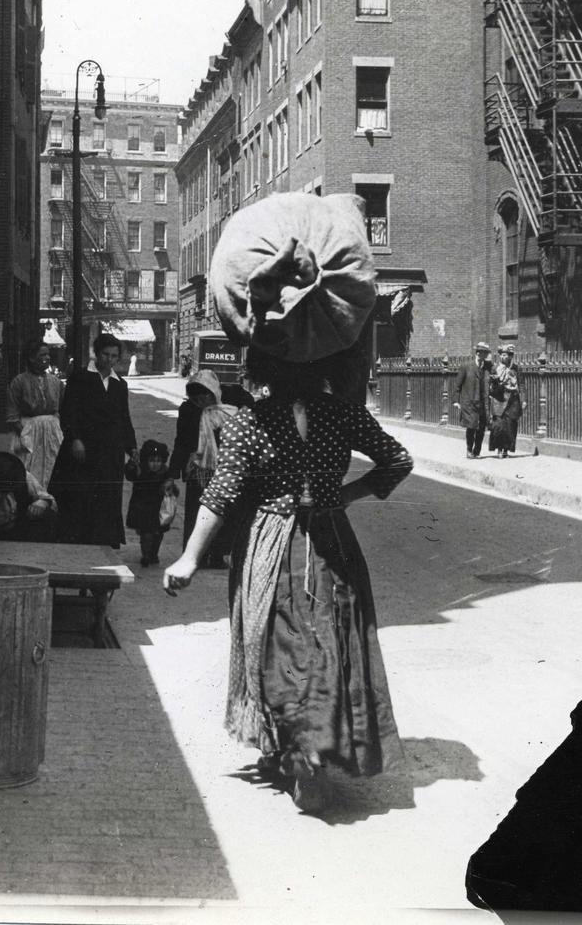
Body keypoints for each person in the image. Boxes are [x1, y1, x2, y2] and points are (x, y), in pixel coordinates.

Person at [163, 191, 413, 815]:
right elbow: (398, 461)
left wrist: (190, 558)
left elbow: (222, 496)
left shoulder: (254, 423)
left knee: (279, 644)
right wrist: (342, 498)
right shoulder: (342, 415)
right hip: (329, 546)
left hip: (272, 550)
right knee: (329, 642)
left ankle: (293, 753)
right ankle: (317, 754)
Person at [49, 332, 138, 547]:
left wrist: (132, 447)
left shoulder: (120, 384)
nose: (109, 359)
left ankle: (104, 540)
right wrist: (75, 439)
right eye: (106, 354)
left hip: (110, 451)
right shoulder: (80, 377)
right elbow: (69, 411)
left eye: (114, 356)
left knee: (106, 496)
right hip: (84, 449)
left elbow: (123, 417)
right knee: (81, 494)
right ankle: (79, 539)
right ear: (96, 354)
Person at [168, 369, 237, 568]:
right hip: (197, 469)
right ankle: (196, 556)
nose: (201, 401)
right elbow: (181, 441)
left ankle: (218, 555)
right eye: (196, 398)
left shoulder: (230, 408)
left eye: (205, 396)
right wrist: (172, 474)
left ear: (213, 392)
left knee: (223, 512)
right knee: (196, 513)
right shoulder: (188, 410)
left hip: (224, 468)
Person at [6, 339, 66, 488]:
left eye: (48, 354)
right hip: (29, 431)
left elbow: (64, 409)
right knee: (30, 470)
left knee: (53, 468)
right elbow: (12, 415)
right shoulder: (18, 382)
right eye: (42, 355)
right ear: (32, 358)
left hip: (53, 433)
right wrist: (26, 435)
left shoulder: (55, 382)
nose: (47, 358)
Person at [125, 439, 176, 568]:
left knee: (158, 535)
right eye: (152, 461)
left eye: (158, 461)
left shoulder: (165, 473)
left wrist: (170, 488)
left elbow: (173, 489)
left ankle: (154, 553)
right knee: (146, 534)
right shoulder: (141, 471)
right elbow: (130, 475)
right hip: (142, 509)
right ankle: (146, 555)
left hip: (159, 511)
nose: (155, 464)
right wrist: (132, 464)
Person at [453, 342, 493, 458]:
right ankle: (469, 450)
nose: (486, 355)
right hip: (469, 402)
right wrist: (456, 400)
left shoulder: (488, 366)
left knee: (481, 428)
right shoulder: (466, 366)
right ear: (478, 353)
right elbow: (457, 385)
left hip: (483, 402)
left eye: (486, 353)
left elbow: (494, 378)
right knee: (471, 426)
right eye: (484, 353)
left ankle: (477, 451)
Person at [488, 344, 523, 458]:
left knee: (511, 426)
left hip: (512, 400)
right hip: (499, 400)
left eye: (508, 355)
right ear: (500, 356)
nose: (505, 357)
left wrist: (524, 400)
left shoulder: (516, 368)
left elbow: (522, 384)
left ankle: (506, 450)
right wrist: (497, 383)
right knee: (498, 426)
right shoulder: (494, 368)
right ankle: (498, 449)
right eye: (503, 355)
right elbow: (490, 387)